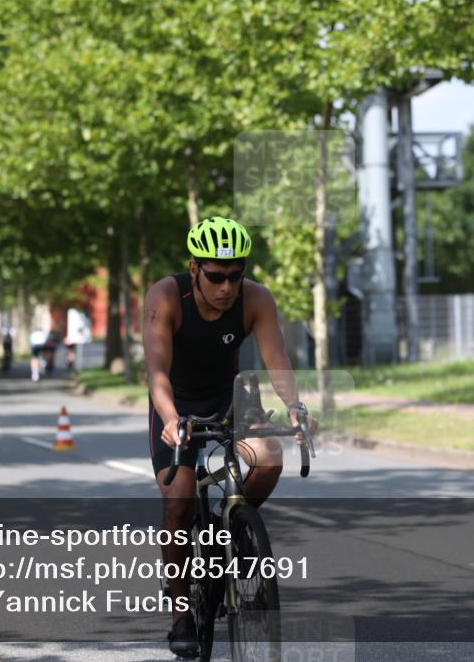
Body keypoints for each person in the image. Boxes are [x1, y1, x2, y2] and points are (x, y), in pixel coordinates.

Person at [142, 216, 318, 657]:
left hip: (229, 401)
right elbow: (156, 372)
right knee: (179, 502)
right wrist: (169, 418)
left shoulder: (256, 299)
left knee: (269, 456)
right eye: (216, 276)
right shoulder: (166, 296)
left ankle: (231, 523)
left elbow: (276, 360)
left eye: (235, 275)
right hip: (174, 405)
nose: (227, 287)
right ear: (194, 268)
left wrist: (296, 407)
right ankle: (181, 612)